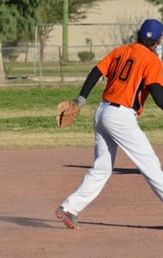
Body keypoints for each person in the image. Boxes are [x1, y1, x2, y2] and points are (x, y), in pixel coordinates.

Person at [55, 19, 163, 229]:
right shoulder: (152, 60)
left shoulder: (121, 50)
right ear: (157, 40)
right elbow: (159, 96)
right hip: (122, 118)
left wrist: (81, 99)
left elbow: (96, 71)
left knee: (102, 168)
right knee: (150, 165)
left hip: (102, 112)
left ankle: (70, 208)